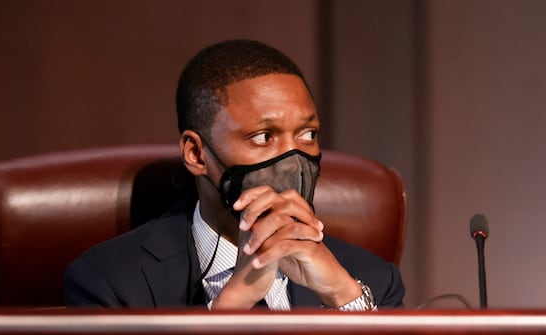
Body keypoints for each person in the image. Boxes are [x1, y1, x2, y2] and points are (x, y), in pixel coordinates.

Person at [64, 39, 405, 310]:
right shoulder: (110, 282)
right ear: (196, 154)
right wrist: (233, 303)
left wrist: (343, 296)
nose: (292, 160)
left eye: (308, 135)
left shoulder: (371, 278)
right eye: (263, 137)